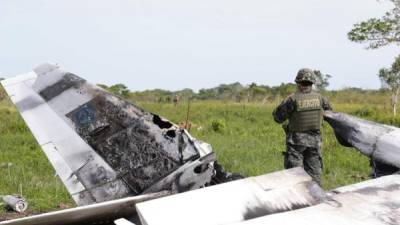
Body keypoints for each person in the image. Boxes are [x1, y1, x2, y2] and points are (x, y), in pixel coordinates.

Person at [272, 68, 332, 185]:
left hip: (296, 143)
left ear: (298, 83)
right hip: (315, 143)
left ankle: (298, 200)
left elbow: (278, 118)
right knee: (314, 177)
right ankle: (317, 200)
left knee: (295, 177)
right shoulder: (321, 98)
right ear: (312, 83)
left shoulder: (292, 99)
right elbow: (330, 113)